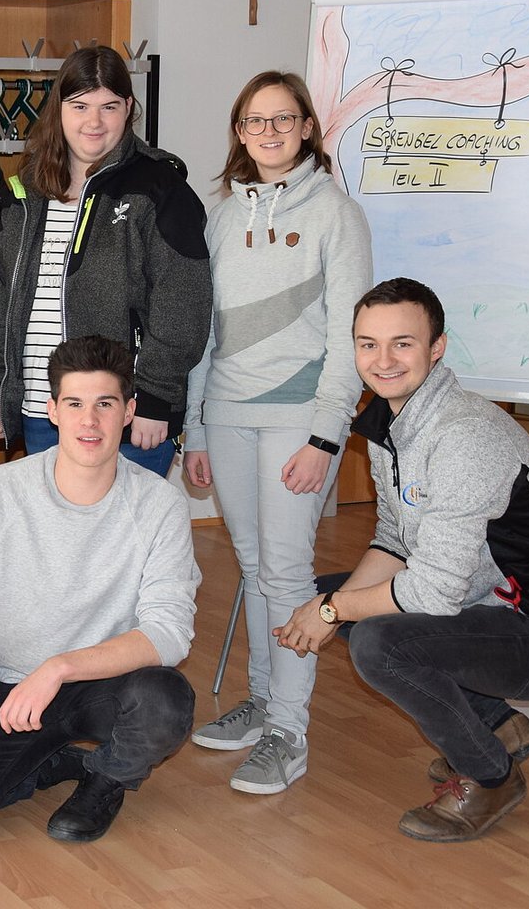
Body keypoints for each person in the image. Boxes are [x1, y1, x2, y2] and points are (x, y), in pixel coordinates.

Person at [275, 278, 529, 842]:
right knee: (336, 596)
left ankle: (491, 776)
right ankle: (499, 726)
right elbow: (394, 540)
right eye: (368, 344)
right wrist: (330, 603)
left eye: (402, 344)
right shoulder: (389, 425)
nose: (383, 361)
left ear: (437, 348)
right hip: (480, 605)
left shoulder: (465, 436)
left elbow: (432, 592)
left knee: (379, 641)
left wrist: (332, 611)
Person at [0, 335, 199, 844]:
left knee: (166, 700)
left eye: (105, 404)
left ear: (129, 411)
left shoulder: (160, 504)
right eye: (74, 404)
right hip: (16, 689)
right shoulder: (0, 491)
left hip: (108, 685)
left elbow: (169, 632)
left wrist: (59, 668)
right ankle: (54, 759)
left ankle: (106, 779)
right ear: (52, 410)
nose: (89, 421)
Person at [182, 71, 372, 794]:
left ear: (306, 128)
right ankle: (264, 703)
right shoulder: (222, 215)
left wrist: (326, 437)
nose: (268, 132)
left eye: (283, 119)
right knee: (255, 565)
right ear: (239, 132)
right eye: (255, 121)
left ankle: (289, 732)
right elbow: (204, 332)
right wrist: (196, 428)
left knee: (287, 571)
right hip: (227, 414)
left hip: (299, 418)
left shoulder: (336, 215)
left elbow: (351, 336)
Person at [0, 46, 211, 477]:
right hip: (42, 411)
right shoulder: (27, 190)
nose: (94, 122)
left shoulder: (159, 187)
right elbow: (1, 296)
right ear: (59, 109)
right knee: (53, 523)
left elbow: (183, 302)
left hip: (126, 413)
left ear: (129, 108)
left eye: (110, 107)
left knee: (123, 524)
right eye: (80, 106)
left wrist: (155, 398)